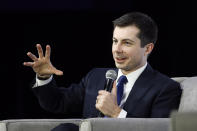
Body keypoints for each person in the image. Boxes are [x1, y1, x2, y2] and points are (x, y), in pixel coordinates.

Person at [23, 12, 182, 131]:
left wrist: (116, 113)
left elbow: (160, 129)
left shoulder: (165, 88)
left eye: (126, 43)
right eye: (115, 41)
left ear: (148, 48)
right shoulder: (96, 76)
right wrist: (43, 77)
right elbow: (57, 103)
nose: (117, 50)